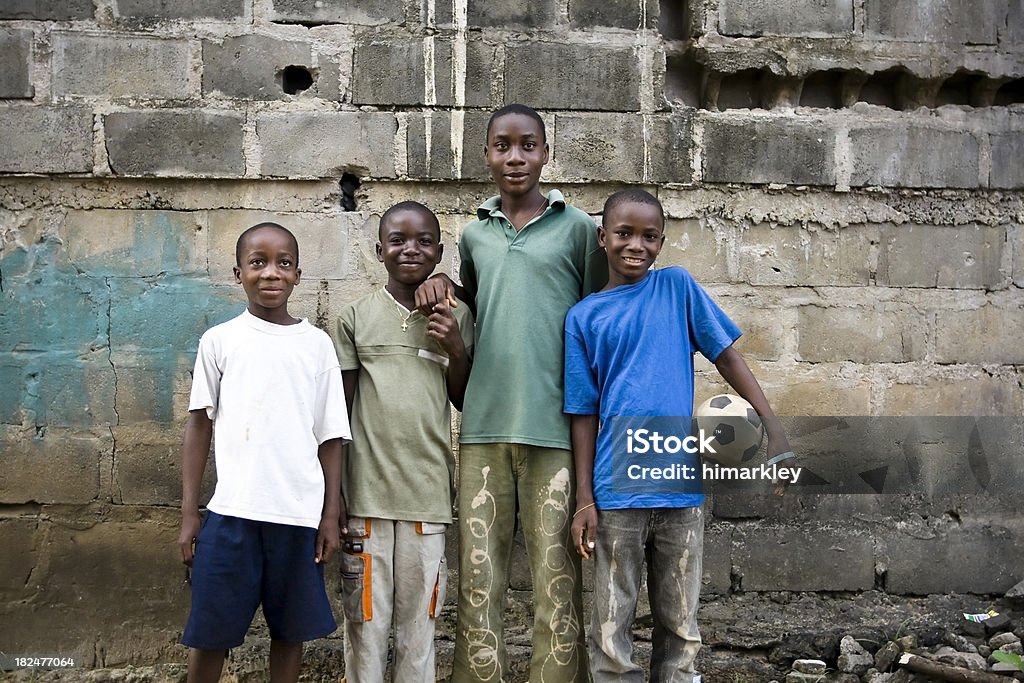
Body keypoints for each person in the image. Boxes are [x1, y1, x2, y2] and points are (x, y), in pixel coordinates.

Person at [563, 189, 794, 683]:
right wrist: (584, 497)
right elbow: (582, 412)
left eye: (649, 236)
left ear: (662, 242)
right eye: (624, 233)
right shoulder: (583, 318)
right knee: (611, 626)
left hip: (680, 487)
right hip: (616, 489)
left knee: (681, 626)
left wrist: (773, 427)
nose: (636, 246)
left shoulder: (677, 288)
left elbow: (727, 356)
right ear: (603, 237)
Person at [415, 103, 606, 683]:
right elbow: (474, 302)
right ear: (487, 154)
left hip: (555, 426)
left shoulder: (576, 229)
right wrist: (445, 281)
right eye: (503, 146)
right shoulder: (475, 233)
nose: (515, 157)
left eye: (528, 146)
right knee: (479, 580)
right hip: (484, 428)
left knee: (556, 580)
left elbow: (597, 314)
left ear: (546, 153)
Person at [177, 222, 351, 683]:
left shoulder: (316, 346)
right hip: (231, 513)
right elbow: (199, 425)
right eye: (258, 263)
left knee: (289, 634)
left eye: (283, 264)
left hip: (297, 517)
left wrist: (329, 514)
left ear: (297, 274)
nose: (270, 273)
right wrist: (189, 513)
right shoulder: (220, 341)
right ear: (238, 273)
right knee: (211, 633)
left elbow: (330, 437)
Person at [332, 201, 473, 682]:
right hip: (366, 502)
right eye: (397, 240)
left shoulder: (458, 315)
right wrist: (337, 500)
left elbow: (462, 398)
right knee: (365, 628)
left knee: (420, 629)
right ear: (378, 251)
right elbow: (340, 414)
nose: (410, 249)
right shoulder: (355, 317)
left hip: (427, 501)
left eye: (423, 241)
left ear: (438, 253)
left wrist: (455, 347)